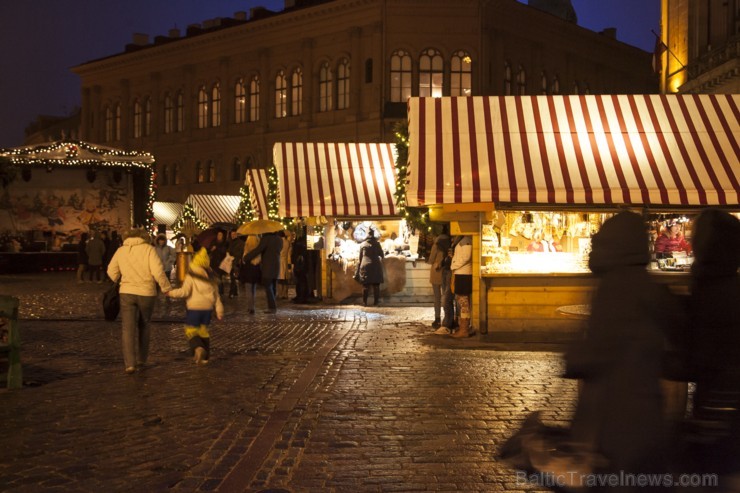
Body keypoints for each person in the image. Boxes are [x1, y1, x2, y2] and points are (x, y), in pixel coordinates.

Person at [564, 211, 685, 490]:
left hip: (608, 417)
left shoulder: (609, 288)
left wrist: (574, 354)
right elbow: (683, 346)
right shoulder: (651, 288)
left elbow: (594, 354)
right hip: (646, 414)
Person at [686, 209, 740, 477]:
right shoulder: (720, 281)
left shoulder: (713, 289)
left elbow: (703, 353)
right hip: (717, 405)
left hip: (721, 408)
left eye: (696, 236)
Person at [107, 228, 172, 374]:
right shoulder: (149, 249)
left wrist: (120, 279)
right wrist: (166, 288)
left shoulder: (121, 250)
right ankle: (142, 359)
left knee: (127, 328)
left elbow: (111, 271)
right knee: (144, 324)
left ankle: (130, 364)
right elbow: (158, 271)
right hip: (146, 292)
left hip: (126, 292)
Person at [166, 248, 223, 365]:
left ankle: (198, 348)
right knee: (203, 331)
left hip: (194, 308)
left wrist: (171, 293)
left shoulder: (191, 275)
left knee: (191, 331)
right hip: (207, 309)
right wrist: (219, 310)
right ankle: (205, 358)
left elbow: (184, 292)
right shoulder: (210, 276)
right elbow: (216, 296)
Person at [243, 231, 282, 313]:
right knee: (273, 287)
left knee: (268, 286)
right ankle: (273, 306)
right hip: (277, 265)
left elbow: (258, 250)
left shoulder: (266, 239)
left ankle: (272, 308)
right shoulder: (279, 239)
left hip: (268, 267)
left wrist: (246, 257)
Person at [427, 226, 451, 330]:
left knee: (437, 297)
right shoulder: (450, 243)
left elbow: (431, 259)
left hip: (436, 272)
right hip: (447, 271)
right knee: (447, 296)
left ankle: (437, 318)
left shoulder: (436, 245)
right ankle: (448, 318)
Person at [449, 235, 474, 338]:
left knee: (463, 301)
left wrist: (454, 265)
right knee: (462, 300)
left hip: (463, 274)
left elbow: (466, 257)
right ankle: (464, 327)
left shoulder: (466, 240)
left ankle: (464, 329)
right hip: (461, 273)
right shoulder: (464, 240)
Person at [356, 228, 384, 306]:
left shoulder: (362, 244)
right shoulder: (377, 244)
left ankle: (364, 302)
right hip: (375, 265)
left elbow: (360, 257)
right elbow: (382, 255)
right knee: (376, 285)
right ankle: (376, 302)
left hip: (365, 266)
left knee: (365, 285)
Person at [239, 234, 261, 314]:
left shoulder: (246, 248)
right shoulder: (258, 249)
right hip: (255, 270)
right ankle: (253, 306)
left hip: (248, 270)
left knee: (248, 289)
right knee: (253, 289)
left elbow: (244, 260)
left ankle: (250, 307)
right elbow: (259, 259)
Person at [209, 230, 229, 296]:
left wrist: (217, 248)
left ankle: (220, 290)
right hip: (214, 262)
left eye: (220, 235)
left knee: (219, 276)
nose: (219, 236)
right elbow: (209, 250)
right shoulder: (213, 242)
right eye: (218, 235)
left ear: (222, 236)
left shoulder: (224, 243)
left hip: (221, 262)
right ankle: (215, 290)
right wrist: (212, 249)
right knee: (214, 276)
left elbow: (224, 251)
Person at [227, 231, 245, 299]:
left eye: (234, 234)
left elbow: (240, 252)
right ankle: (235, 291)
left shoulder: (240, 243)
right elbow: (229, 250)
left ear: (237, 235)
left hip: (236, 262)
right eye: (231, 234)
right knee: (233, 277)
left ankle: (231, 292)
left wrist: (232, 254)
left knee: (233, 277)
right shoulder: (231, 242)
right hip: (232, 261)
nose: (233, 235)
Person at [277, 230, 292, 299]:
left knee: (280, 279)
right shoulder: (287, 242)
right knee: (285, 278)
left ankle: (280, 293)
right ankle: (285, 293)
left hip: (279, 261)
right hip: (285, 261)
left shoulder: (279, 242)